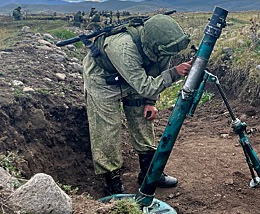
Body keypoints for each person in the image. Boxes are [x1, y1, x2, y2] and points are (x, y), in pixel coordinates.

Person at [82, 13, 193, 196]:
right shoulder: (123, 47)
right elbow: (146, 85)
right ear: (152, 44)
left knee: (143, 119)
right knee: (107, 129)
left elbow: (158, 69)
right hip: (102, 80)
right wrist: (174, 74)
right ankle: (112, 183)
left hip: (133, 76)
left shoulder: (163, 45)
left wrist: (150, 102)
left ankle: (149, 173)